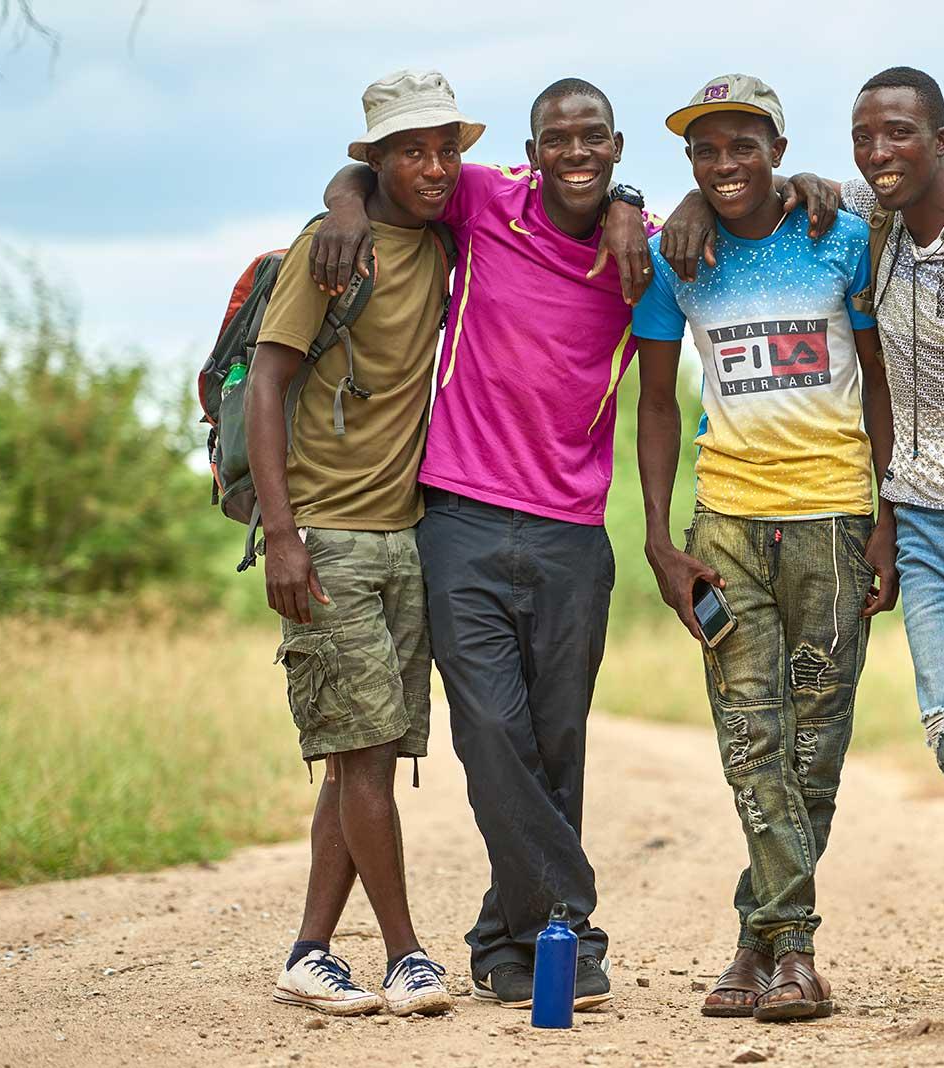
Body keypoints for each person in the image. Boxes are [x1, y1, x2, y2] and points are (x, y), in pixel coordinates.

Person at [663, 64, 944, 1020]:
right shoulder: (870, 224)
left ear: (940, 140)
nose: (879, 153)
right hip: (916, 520)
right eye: (865, 136)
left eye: (900, 134)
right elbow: (761, 189)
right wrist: (692, 200)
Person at [310, 78, 657, 1013]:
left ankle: (508, 946)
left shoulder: (646, 248)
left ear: (618, 147)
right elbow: (373, 172)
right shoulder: (482, 197)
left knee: (556, 742)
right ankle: (570, 925)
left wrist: (635, 207)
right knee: (493, 733)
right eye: (557, 138)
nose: (576, 153)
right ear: (533, 152)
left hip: (572, 530)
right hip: (458, 516)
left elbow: (725, 214)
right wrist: (341, 207)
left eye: (593, 138)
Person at [632, 74, 898, 1024]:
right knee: (753, 739)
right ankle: (795, 953)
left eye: (743, 145)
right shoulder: (676, 255)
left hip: (832, 521)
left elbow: (879, 380)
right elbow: (656, 401)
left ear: (778, 151)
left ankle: (762, 943)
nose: (724, 164)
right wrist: (659, 538)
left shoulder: (841, 237)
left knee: (815, 745)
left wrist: (889, 514)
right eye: (705, 151)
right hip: (726, 527)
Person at [250, 68, 476, 1018]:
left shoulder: (441, 237)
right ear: (376, 158)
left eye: (444, 150)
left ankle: (309, 953)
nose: (434, 168)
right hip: (329, 538)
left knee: (355, 758)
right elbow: (267, 384)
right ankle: (405, 955)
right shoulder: (330, 249)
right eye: (410, 152)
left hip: (403, 536)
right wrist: (283, 536)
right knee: (370, 755)